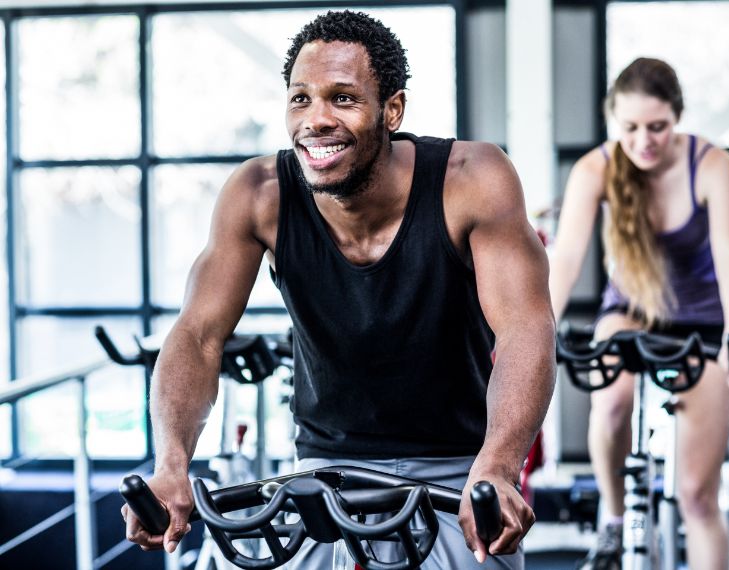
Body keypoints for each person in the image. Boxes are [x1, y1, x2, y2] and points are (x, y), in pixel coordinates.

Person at [120, 10, 556, 569]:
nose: (315, 119)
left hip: (457, 468)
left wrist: (499, 464)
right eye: (301, 99)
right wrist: (172, 463)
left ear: (391, 110)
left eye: (343, 98)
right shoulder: (260, 193)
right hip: (321, 471)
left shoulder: (471, 179)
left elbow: (525, 328)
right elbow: (199, 335)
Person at [549, 57, 729, 570]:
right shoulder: (595, 168)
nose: (644, 140)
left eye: (658, 127)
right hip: (633, 311)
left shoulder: (710, 164)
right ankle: (614, 521)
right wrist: (532, 333)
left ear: (678, 118)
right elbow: (567, 259)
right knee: (613, 401)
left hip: (705, 323)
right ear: (612, 122)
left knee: (695, 496)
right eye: (630, 128)